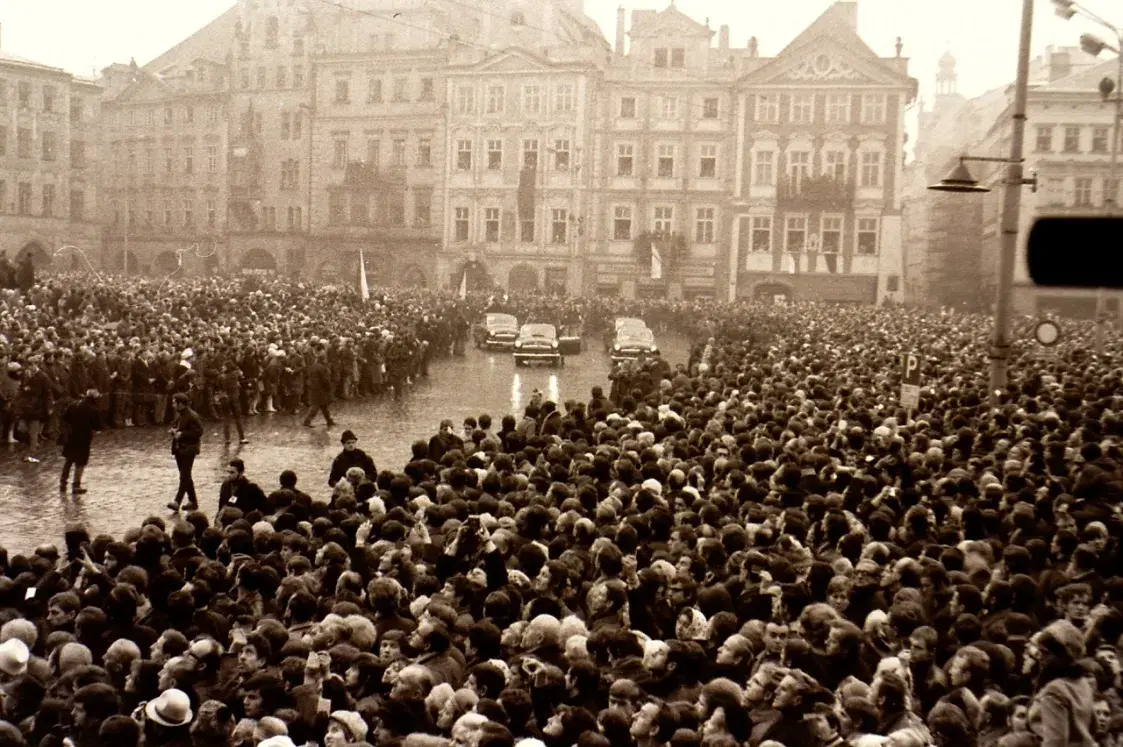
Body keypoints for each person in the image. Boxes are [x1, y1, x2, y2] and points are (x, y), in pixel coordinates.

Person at [59, 388, 103, 494]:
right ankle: (76, 485)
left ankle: (62, 483)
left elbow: (65, 417)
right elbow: (97, 426)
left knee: (69, 460)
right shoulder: (93, 410)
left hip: (71, 436)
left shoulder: (74, 404)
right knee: (81, 462)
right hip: (83, 438)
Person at [167, 392, 203, 512]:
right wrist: (174, 431)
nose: (172, 404)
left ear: (181, 404)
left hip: (188, 449)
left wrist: (182, 434)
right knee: (186, 476)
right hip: (180, 449)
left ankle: (177, 501)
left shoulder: (192, 416)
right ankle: (193, 501)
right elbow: (179, 427)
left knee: (184, 476)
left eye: (174, 402)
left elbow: (198, 432)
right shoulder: (180, 415)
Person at [301, 350, 335, 429]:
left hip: (313, 388)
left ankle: (329, 421)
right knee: (316, 406)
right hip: (321, 390)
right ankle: (307, 421)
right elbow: (325, 380)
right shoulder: (323, 368)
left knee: (323, 406)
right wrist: (329, 388)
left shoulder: (313, 366)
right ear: (324, 359)